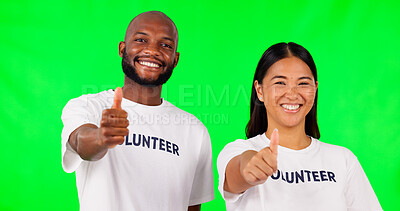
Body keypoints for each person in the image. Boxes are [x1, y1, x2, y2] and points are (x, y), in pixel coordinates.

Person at [61, 11, 214, 211]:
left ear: (175, 60)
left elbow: (192, 206)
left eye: (165, 45)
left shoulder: (195, 131)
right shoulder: (88, 106)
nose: (152, 51)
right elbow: (80, 142)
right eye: (141, 40)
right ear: (122, 48)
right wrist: (101, 137)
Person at [217, 42, 382, 210]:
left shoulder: (343, 159)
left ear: (315, 89)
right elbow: (236, 174)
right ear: (259, 91)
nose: (292, 94)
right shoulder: (239, 150)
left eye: (303, 83)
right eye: (280, 83)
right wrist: (248, 165)